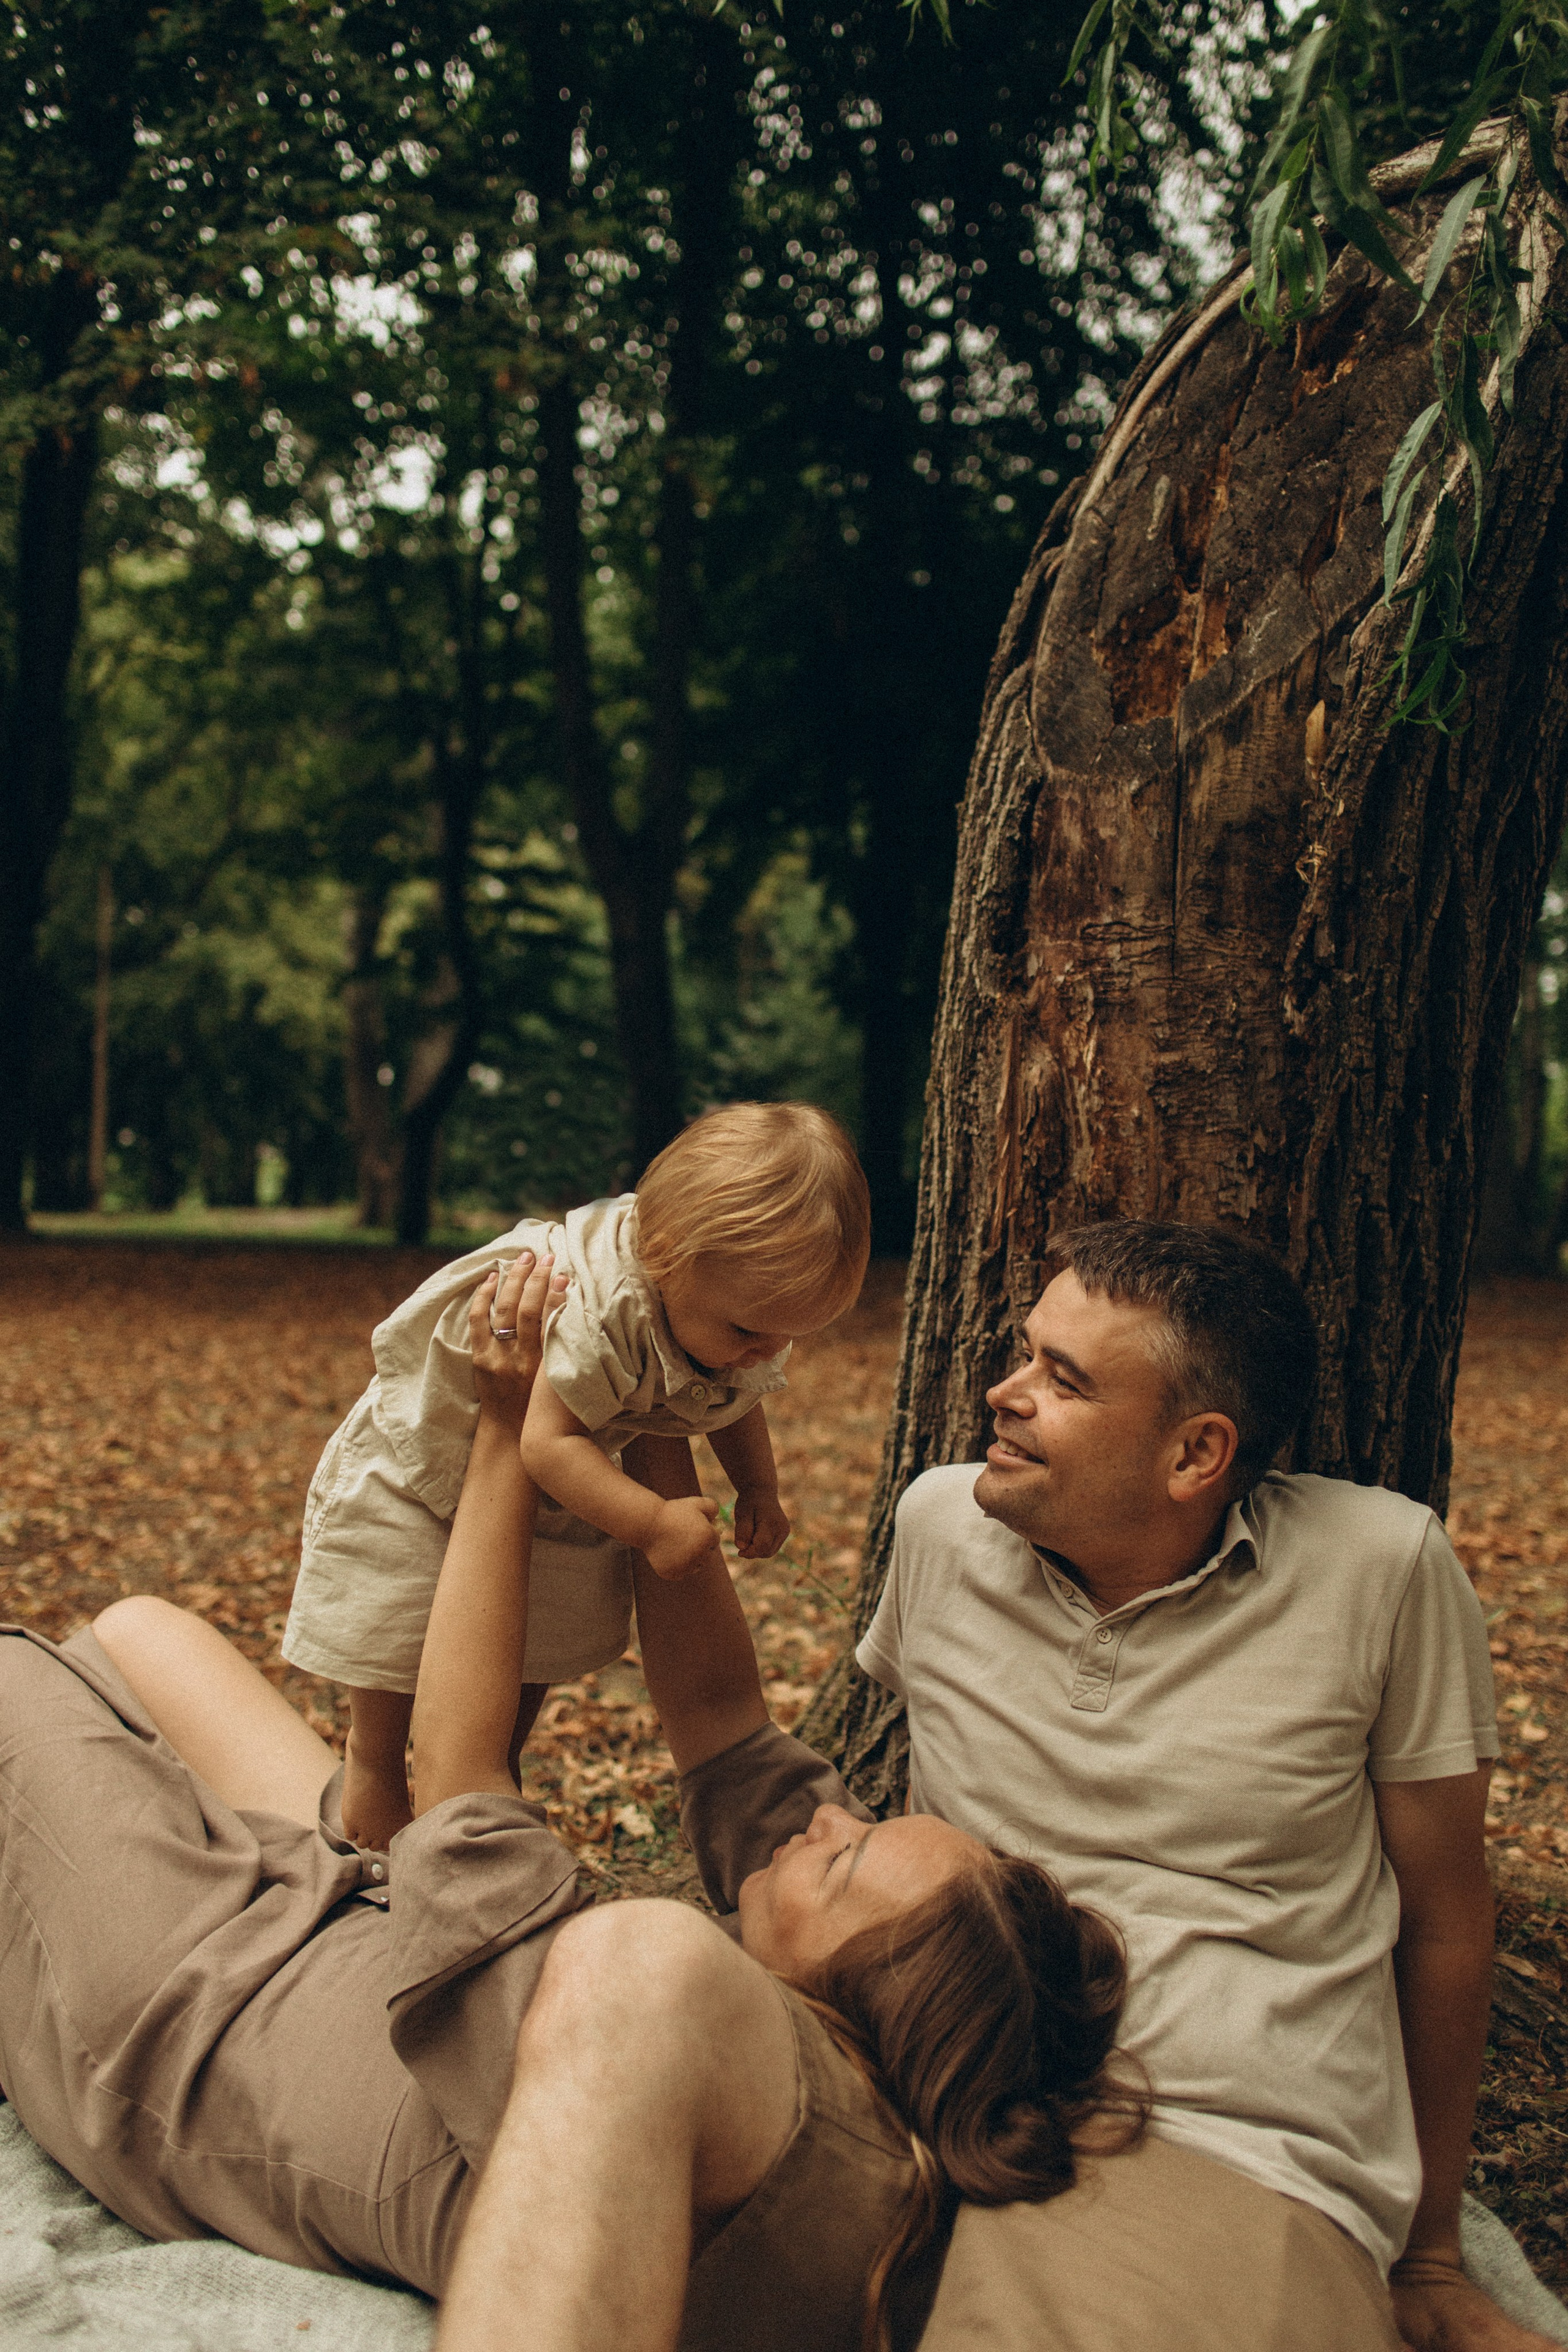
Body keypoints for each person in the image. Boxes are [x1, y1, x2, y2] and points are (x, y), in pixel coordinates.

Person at [0, 1251, 1136, 2352]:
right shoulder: (783, 1990)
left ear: (840, 2008)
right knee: (143, 1635)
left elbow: (455, 1767)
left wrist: (509, 1431)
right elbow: (721, 1716)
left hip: (191, 2019)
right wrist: (655, 1389)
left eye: (842, 1863)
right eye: (866, 1823)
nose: (830, 1821)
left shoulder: (673, 2034)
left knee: (14, 1679)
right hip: (349, 1912)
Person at [844, 1219, 1545, 2352]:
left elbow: (1447, 1919)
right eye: (1024, 1353)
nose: (1001, 1393)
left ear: (1194, 1456)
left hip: (1222, 2137)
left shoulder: (1381, 1569)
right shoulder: (939, 1526)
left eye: (1061, 1380)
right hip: (934, 2088)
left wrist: (1424, 2255)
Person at [282, 1100, 870, 1849]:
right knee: (394, 1618)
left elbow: (734, 1396)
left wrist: (758, 1486)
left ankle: (488, 1774)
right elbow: (547, 1443)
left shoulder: (733, 1313)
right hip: (433, 1460)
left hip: (549, 1496)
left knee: (535, 1631)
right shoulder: (596, 1312)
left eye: (787, 1336)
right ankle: (370, 1777)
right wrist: (652, 1522)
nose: (766, 1352)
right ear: (664, 1258)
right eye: (750, 1332)